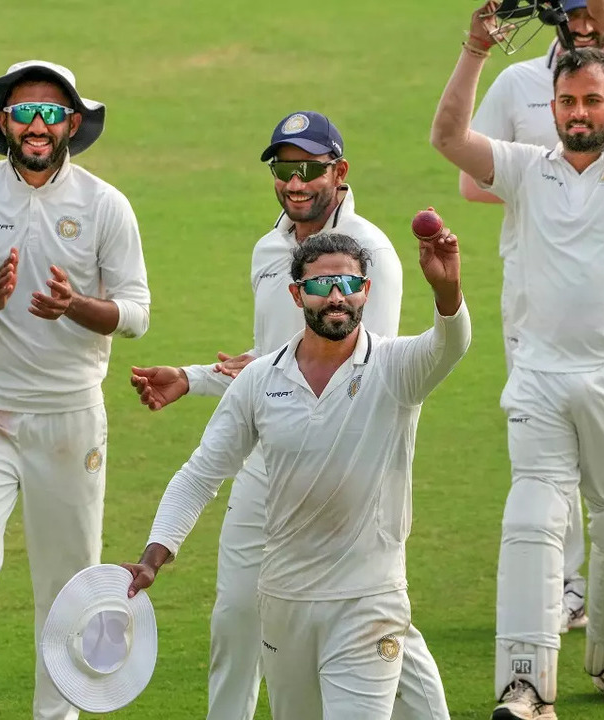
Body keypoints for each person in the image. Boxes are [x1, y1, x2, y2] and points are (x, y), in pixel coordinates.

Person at [129, 111, 450, 720]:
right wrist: (194, 380)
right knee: (235, 618)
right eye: (283, 168)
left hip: (351, 474)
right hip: (266, 463)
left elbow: (361, 370)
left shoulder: (372, 253)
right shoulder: (267, 250)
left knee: (377, 618)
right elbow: (271, 367)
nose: (295, 182)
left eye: (309, 169)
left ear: (340, 172)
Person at [430, 0, 604, 715]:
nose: (578, 112)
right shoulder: (521, 168)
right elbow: (446, 135)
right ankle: (524, 683)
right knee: (531, 520)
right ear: (553, 105)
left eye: (591, 100)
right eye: (567, 101)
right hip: (538, 376)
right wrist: (474, 49)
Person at [0, 60, 151, 720]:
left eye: (51, 113)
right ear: (2, 122)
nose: (37, 125)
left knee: (68, 587)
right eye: (23, 112)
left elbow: (135, 313)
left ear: (72, 122)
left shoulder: (104, 204)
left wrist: (76, 306)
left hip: (69, 417)